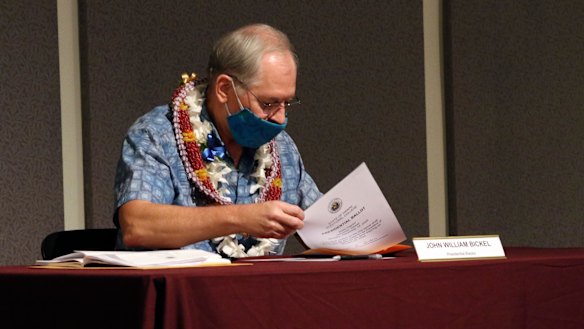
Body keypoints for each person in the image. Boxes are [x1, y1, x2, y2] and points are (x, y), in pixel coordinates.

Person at [113, 24, 322, 257]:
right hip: (183, 290)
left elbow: (323, 224)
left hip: (262, 291)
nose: (281, 118)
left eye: (287, 103)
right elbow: (137, 225)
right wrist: (241, 218)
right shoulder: (158, 135)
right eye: (268, 103)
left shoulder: (280, 147)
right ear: (224, 88)